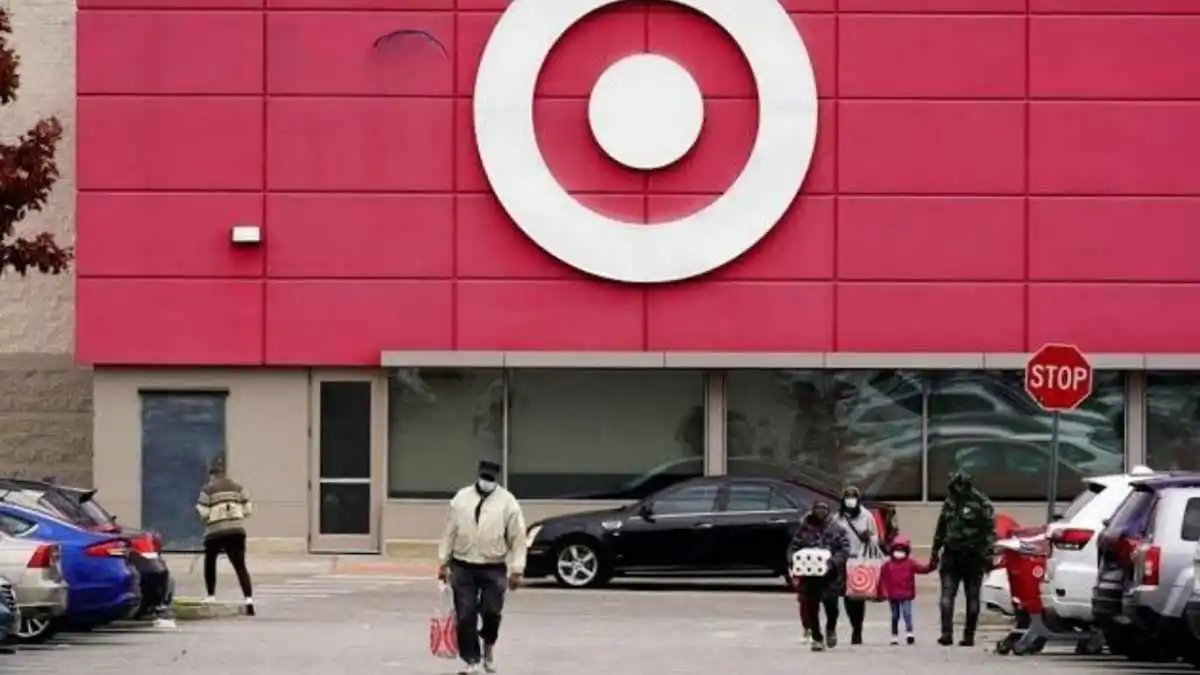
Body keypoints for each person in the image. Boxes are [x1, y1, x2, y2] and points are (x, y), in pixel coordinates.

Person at [437, 460, 527, 674]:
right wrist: (443, 561)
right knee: (465, 615)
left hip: (493, 566)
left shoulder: (508, 502)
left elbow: (518, 537)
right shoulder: (461, 498)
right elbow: (449, 530)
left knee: (491, 612)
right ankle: (472, 660)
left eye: (490, 479)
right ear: (478, 475)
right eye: (483, 477)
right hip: (463, 565)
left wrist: (517, 569)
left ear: (496, 479)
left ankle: (488, 649)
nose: (486, 482)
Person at [929, 471, 995, 647]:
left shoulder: (979, 503)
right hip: (955, 553)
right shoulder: (954, 502)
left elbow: (990, 531)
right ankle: (949, 633)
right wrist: (935, 552)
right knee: (949, 594)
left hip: (972, 555)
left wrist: (988, 554)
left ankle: (965, 635)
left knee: (969, 596)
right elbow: (941, 528)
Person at [195, 456, 255, 615]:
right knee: (240, 565)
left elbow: (203, 513)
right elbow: (248, 509)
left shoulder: (207, 490)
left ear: (212, 474)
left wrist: (211, 517)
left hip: (215, 531)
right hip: (237, 530)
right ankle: (249, 600)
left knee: (210, 562)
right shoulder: (238, 488)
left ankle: (211, 595)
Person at [787, 501, 849, 652]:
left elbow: (844, 549)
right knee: (811, 607)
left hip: (831, 575)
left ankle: (830, 629)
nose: (821, 511)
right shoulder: (804, 529)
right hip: (810, 576)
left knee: (831, 606)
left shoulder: (836, 529)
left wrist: (832, 563)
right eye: (818, 508)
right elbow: (793, 548)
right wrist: (794, 562)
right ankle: (816, 637)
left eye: (824, 509)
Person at [832, 485, 879, 644]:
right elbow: (831, 538)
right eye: (848, 497)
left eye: (853, 497)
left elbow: (876, 538)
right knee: (846, 596)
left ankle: (857, 629)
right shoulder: (837, 518)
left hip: (859, 561)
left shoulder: (867, 516)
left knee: (858, 597)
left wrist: (868, 538)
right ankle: (853, 624)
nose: (850, 500)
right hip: (842, 561)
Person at [878, 536, 935, 645]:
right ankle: (894, 635)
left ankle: (909, 633)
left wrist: (931, 566)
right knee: (895, 615)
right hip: (893, 594)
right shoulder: (887, 565)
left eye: (902, 550)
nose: (899, 552)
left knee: (907, 613)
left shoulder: (910, 563)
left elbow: (922, 569)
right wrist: (882, 592)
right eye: (897, 550)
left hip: (906, 594)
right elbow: (882, 579)